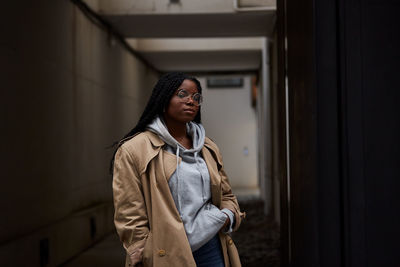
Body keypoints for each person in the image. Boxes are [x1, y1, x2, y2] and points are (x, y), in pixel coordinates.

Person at [111, 72, 245, 267]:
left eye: (196, 97)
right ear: (164, 99)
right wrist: (142, 250)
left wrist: (226, 216)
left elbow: (226, 195)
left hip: (211, 247)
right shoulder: (134, 150)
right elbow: (129, 212)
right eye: (182, 94)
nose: (191, 101)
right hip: (164, 252)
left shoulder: (208, 148)